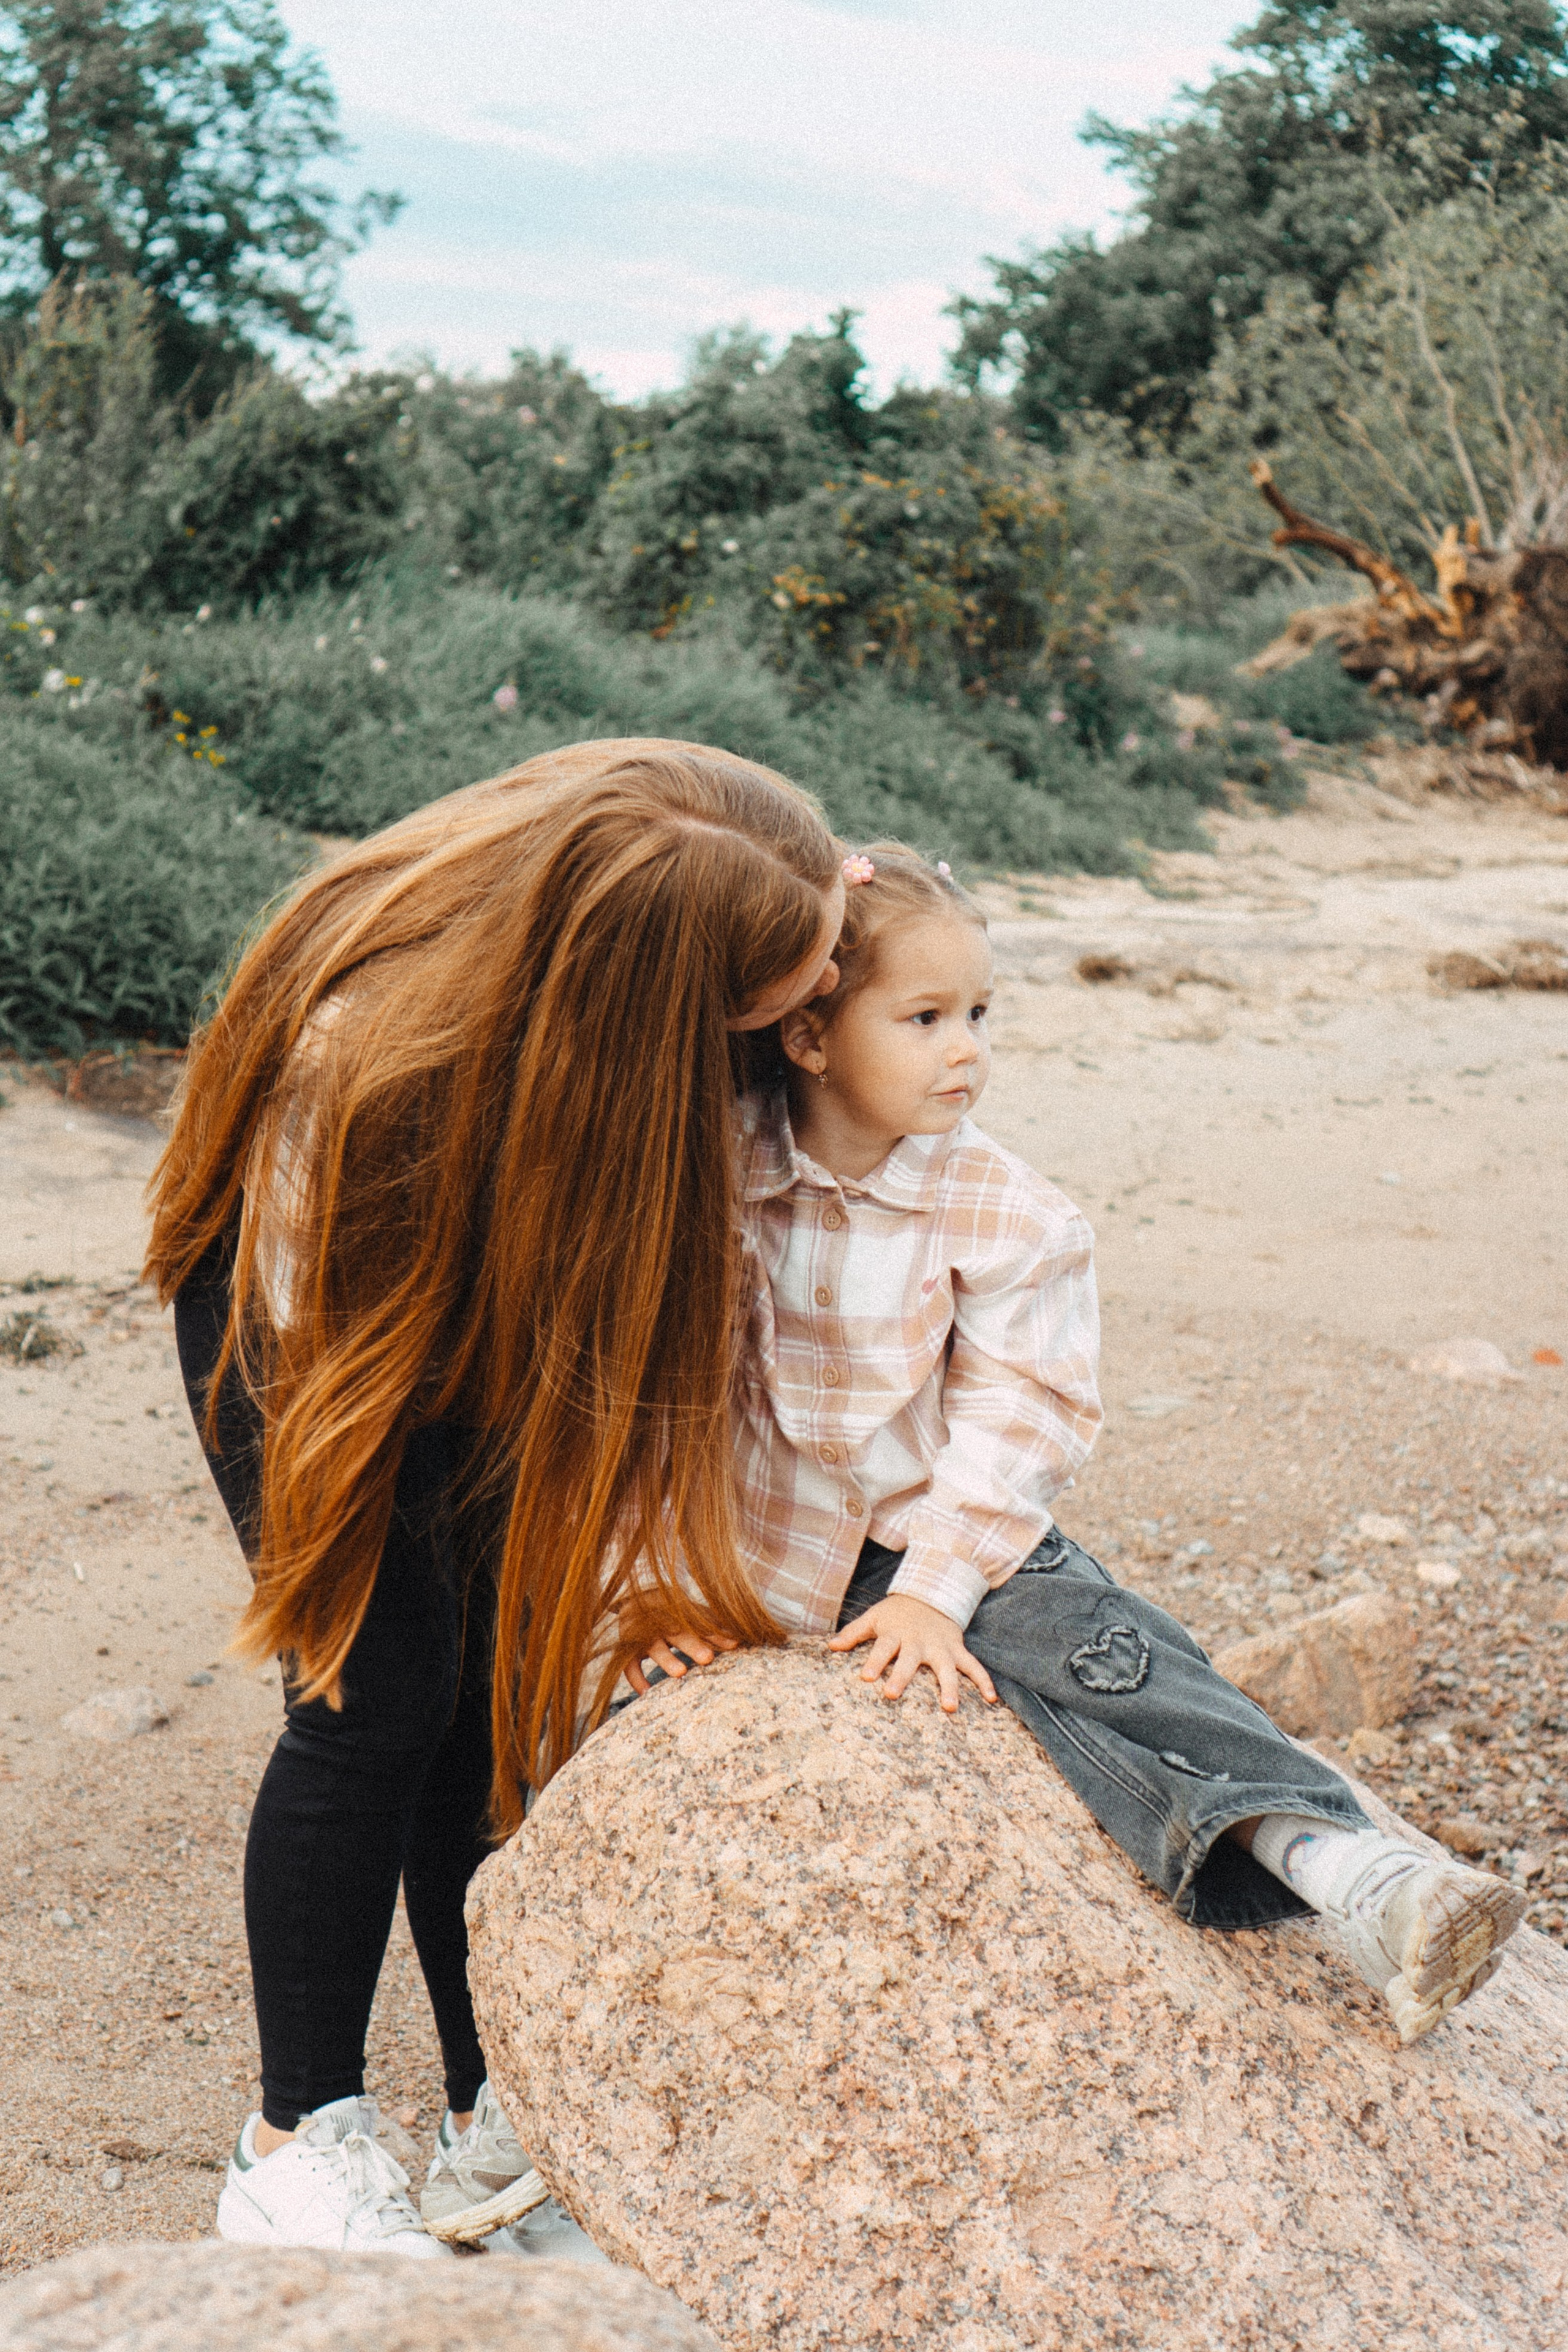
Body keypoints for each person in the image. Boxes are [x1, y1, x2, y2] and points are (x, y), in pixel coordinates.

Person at [145, 739, 847, 2255]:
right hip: (311, 1316)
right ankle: (294, 2143)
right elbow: (340, 1345)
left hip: (481, 1259)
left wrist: (818, 926)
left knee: (491, 1700)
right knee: (372, 1695)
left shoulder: (621, 967)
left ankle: (494, 2113)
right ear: (657, 1000)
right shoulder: (375, 1059)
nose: (819, 999)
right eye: (785, 990)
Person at [698, 840, 1525, 2046]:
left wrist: (935, 1588)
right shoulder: (712, 1173)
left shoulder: (1008, 1211)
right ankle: (513, 2081)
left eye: (979, 1013)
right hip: (745, 1552)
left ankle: (1355, 1873)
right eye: (924, 1018)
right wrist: (659, 1584)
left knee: (1101, 1662)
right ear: (809, 1037)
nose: (967, 1049)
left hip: (927, 1533)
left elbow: (1020, 1413)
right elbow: (654, 1402)